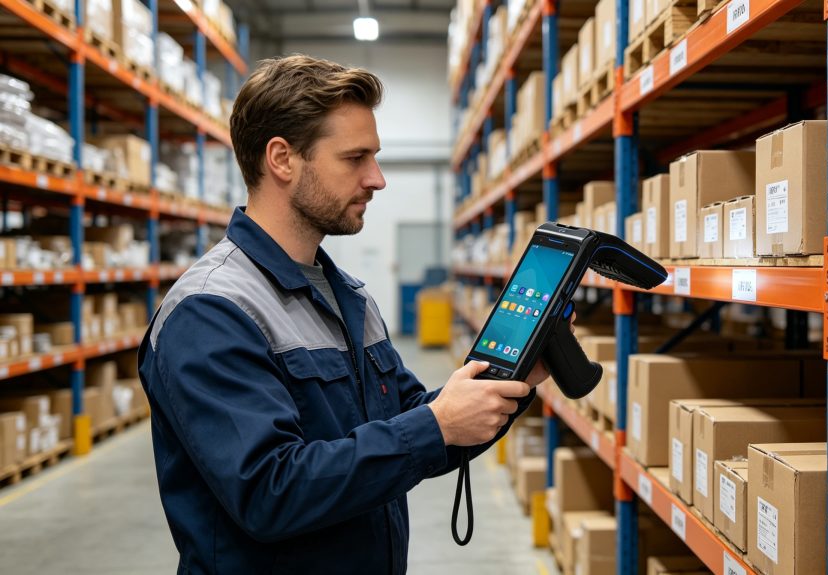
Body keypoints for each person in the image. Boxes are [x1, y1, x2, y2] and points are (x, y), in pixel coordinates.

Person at [138, 54, 559, 574]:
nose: (376, 179)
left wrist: (507, 381)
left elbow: (413, 423)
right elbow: (269, 491)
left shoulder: (349, 298)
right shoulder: (212, 310)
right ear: (282, 160)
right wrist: (436, 424)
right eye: (355, 158)